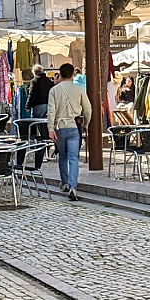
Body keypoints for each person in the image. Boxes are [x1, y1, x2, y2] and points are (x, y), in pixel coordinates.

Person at [47, 62, 92, 200]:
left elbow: (51, 111)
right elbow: (88, 109)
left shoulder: (54, 90)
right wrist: (86, 123)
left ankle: (65, 182)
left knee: (62, 155)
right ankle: (73, 186)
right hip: (74, 126)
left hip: (60, 127)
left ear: (60, 74)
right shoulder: (78, 90)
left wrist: (50, 128)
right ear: (73, 74)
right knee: (74, 157)